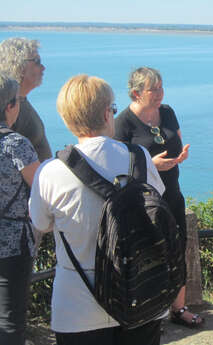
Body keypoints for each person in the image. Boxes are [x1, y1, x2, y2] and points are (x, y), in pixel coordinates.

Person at [29, 75, 166, 345]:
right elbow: (157, 201)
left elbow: (41, 223)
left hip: (78, 304)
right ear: (106, 113)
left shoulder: (50, 172)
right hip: (139, 295)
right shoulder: (139, 157)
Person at [113, 67, 200, 327]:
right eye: (154, 89)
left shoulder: (168, 112)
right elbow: (119, 167)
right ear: (136, 93)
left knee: (178, 248)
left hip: (172, 193)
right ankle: (149, 313)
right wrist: (150, 164)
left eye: (161, 87)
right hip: (142, 200)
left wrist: (179, 157)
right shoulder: (123, 123)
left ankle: (178, 307)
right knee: (147, 253)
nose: (160, 93)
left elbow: (175, 141)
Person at [0, 73, 39, 345]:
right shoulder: (16, 144)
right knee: (10, 320)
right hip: (13, 244)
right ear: (9, 106)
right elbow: (40, 190)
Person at [0, 37, 51, 162]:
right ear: (18, 64)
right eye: (37, 61)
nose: (43, 68)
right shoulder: (8, 107)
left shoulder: (20, 101)